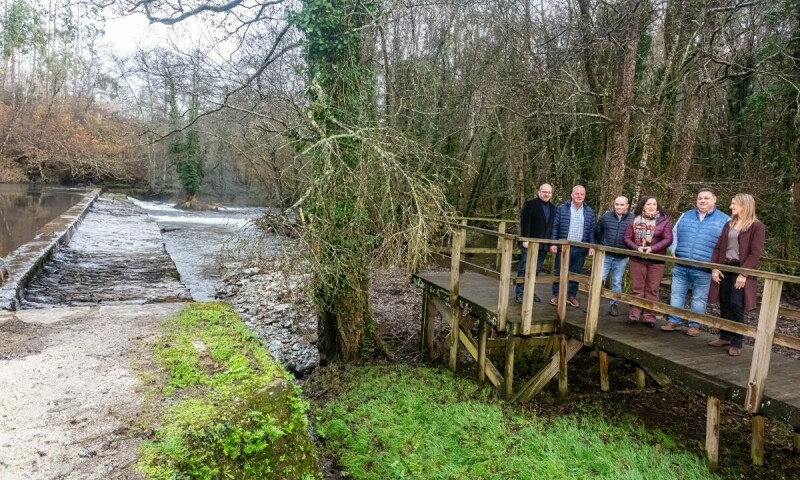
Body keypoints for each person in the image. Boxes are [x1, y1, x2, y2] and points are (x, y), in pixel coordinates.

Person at [663, 188, 729, 336]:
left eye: (706, 198)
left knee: (699, 298)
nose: (702, 201)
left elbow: (726, 245)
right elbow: (674, 233)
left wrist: (717, 265)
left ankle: (694, 325)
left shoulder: (725, 220)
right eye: (700, 198)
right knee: (676, 294)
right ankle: (674, 321)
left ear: (714, 200)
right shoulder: (686, 215)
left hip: (704, 267)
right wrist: (674, 249)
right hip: (681, 264)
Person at [707, 194, 766, 356]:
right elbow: (718, 247)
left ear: (744, 205)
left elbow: (755, 253)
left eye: (734, 204)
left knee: (736, 304)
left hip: (741, 269)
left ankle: (737, 341)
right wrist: (715, 268)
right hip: (725, 267)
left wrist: (743, 273)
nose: (731, 206)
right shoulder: (729, 224)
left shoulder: (757, 226)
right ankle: (725, 336)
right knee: (725, 302)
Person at [624, 196, 673, 327]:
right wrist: (637, 248)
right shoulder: (634, 220)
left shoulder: (664, 221)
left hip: (656, 260)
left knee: (652, 290)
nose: (652, 207)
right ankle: (634, 315)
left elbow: (668, 239)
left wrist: (652, 248)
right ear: (643, 206)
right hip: (637, 259)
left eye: (654, 204)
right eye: (648, 204)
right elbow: (627, 238)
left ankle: (649, 318)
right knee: (637, 289)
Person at [549, 185, 595, 308]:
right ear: (572, 195)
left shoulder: (589, 211)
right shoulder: (562, 208)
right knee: (560, 271)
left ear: (584, 196)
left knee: (575, 272)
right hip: (564, 247)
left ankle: (571, 295)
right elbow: (555, 226)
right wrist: (553, 243)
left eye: (582, 194)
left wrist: (591, 246)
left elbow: (591, 231)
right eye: (577, 193)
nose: (579, 196)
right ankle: (557, 295)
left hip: (580, 248)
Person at [515, 184, 555, 304]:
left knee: (536, 270)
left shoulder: (553, 208)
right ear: (539, 192)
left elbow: (552, 227)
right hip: (530, 243)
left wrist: (551, 243)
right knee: (524, 268)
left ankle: (530, 291)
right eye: (544, 192)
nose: (547, 194)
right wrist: (525, 239)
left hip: (544, 245)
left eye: (549, 192)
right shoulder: (530, 204)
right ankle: (519, 294)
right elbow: (524, 223)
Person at [595, 196, 633, 316]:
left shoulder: (633, 219)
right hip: (605, 254)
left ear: (627, 206)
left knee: (616, 282)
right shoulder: (606, 216)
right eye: (617, 204)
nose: (619, 207)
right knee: (599, 279)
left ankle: (614, 305)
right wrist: (603, 244)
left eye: (622, 204)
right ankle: (594, 302)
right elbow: (598, 232)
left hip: (621, 257)